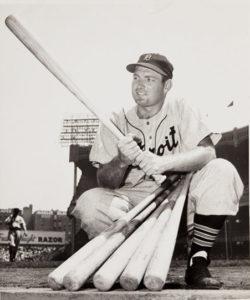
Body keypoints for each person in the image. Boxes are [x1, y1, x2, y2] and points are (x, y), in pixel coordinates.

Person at [72, 53, 244, 288]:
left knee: (221, 170)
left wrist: (165, 163)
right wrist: (121, 160)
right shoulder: (114, 120)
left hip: (183, 199)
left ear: (167, 85)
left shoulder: (182, 108)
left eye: (150, 79)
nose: (140, 84)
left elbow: (207, 153)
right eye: (136, 77)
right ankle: (123, 262)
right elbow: (104, 179)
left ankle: (198, 262)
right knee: (89, 203)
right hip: (133, 200)